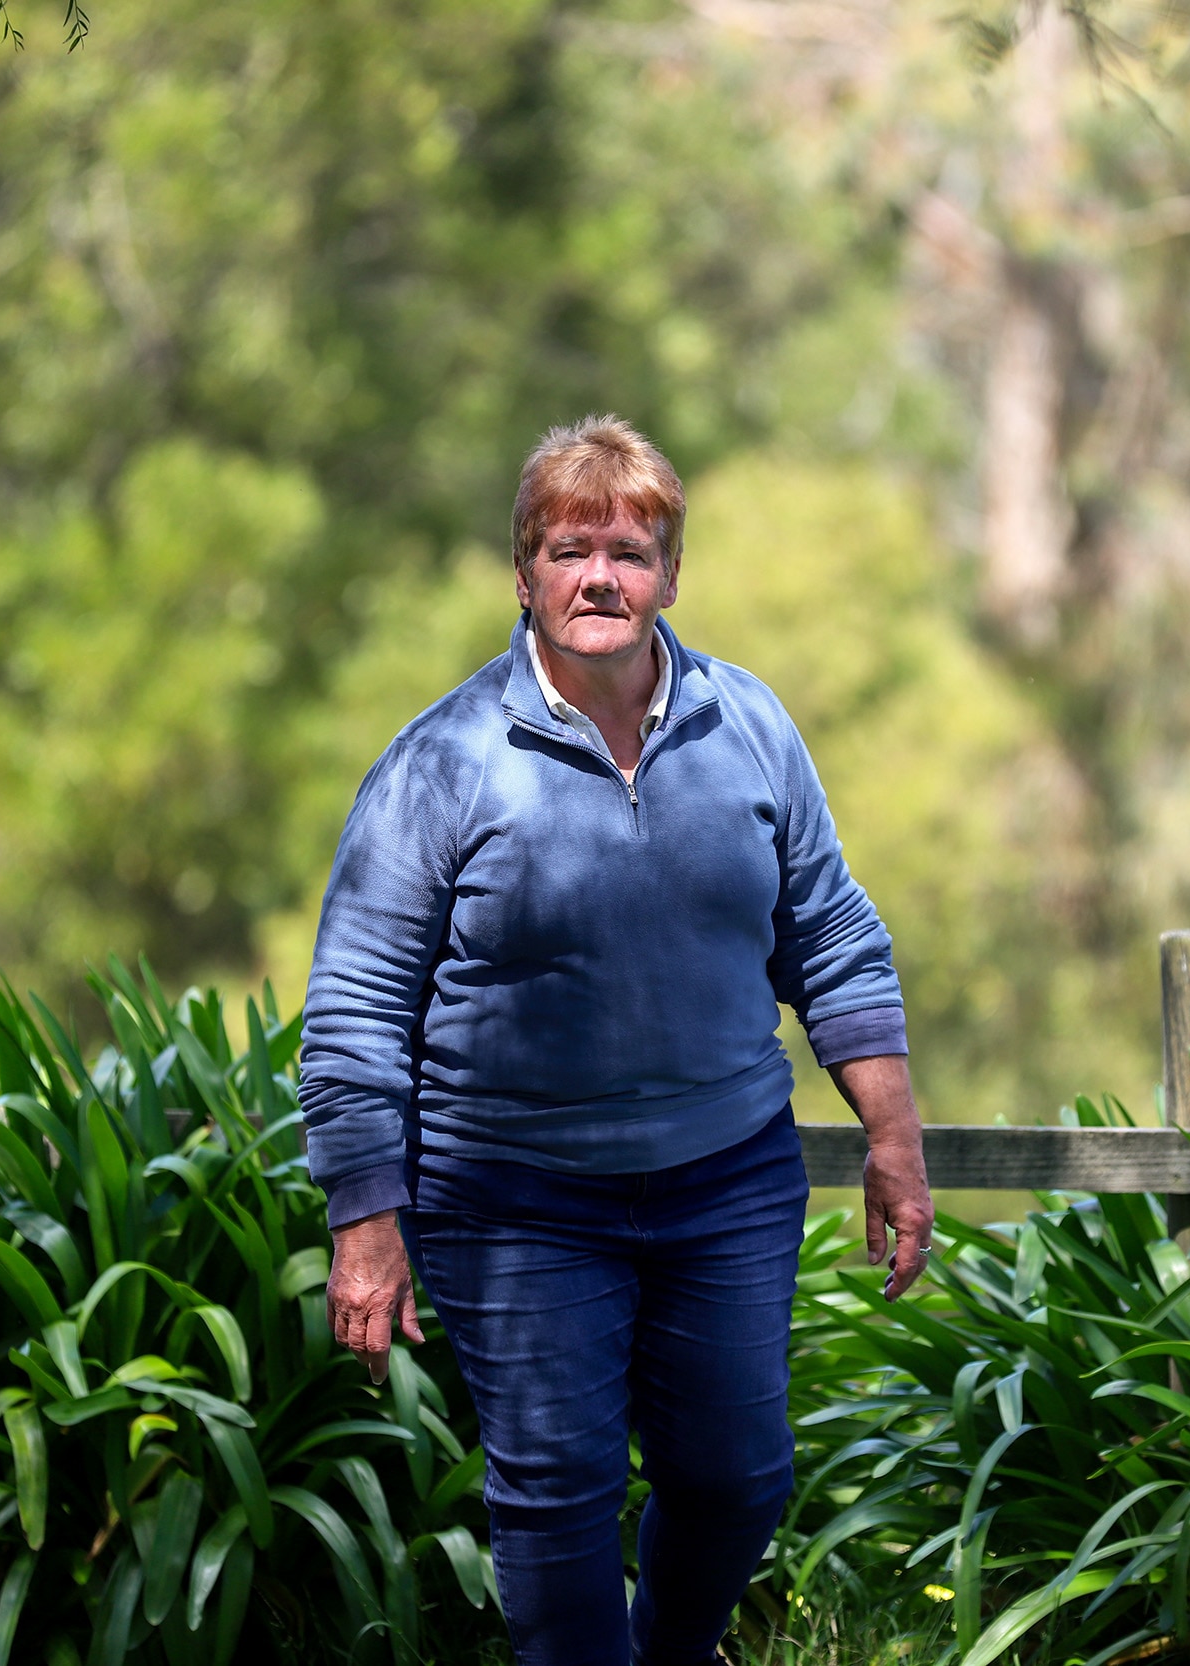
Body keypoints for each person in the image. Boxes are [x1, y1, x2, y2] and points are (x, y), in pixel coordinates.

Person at [299, 414, 934, 1666]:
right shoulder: (441, 763)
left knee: (739, 1476)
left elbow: (832, 937)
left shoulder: (746, 725)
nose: (602, 577)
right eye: (569, 549)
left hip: (725, 1178)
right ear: (523, 573)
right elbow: (355, 1006)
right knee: (560, 1495)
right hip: (515, 1198)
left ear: (672, 574)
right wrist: (365, 1222)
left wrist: (893, 1137)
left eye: (630, 551)